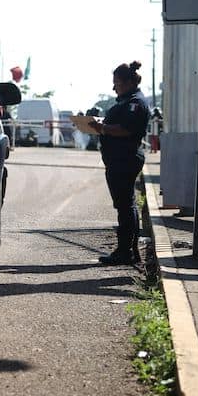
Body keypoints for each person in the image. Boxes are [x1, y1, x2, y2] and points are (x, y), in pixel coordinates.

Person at [87, 61, 150, 265]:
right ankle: (128, 250)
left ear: (130, 82)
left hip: (125, 158)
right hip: (118, 158)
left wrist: (102, 128)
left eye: (118, 83)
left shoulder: (135, 103)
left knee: (125, 205)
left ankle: (125, 251)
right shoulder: (126, 101)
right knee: (124, 205)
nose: (115, 87)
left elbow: (126, 129)